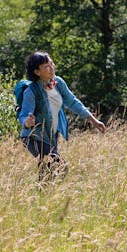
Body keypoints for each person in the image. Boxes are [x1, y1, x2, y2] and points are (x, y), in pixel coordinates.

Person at [18, 51, 106, 181]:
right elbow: (24, 114)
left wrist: (92, 120)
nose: (51, 68)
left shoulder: (58, 83)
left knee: (47, 172)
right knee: (60, 166)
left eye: (52, 63)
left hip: (52, 135)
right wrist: (27, 122)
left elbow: (72, 102)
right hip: (34, 136)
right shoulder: (32, 91)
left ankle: (42, 196)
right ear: (37, 72)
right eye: (46, 66)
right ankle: (44, 194)